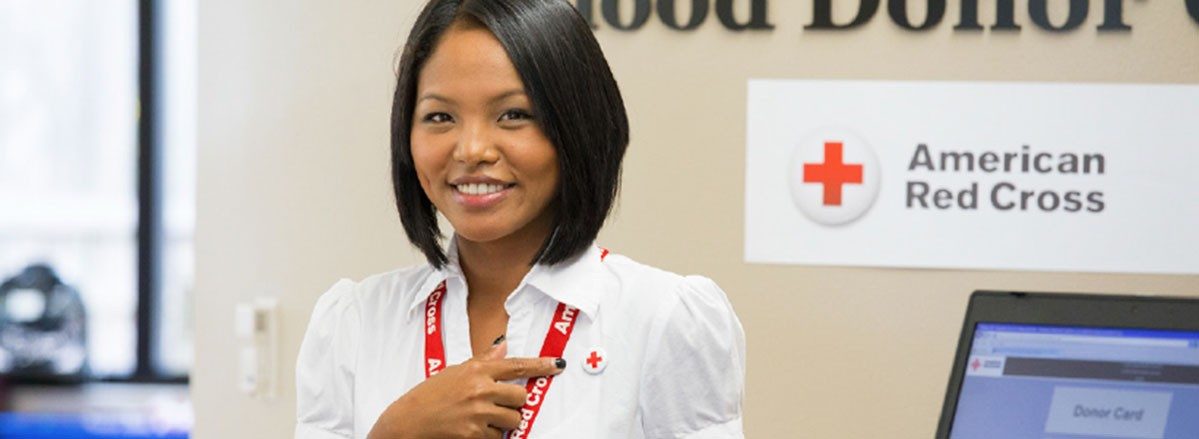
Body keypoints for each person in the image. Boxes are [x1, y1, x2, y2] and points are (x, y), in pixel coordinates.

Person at [294, 0, 745, 438]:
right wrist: (396, 433)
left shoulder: (663, 319)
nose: (472, 150)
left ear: (576, 127)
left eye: (513, 115)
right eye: (439, 116)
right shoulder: (352, 324)